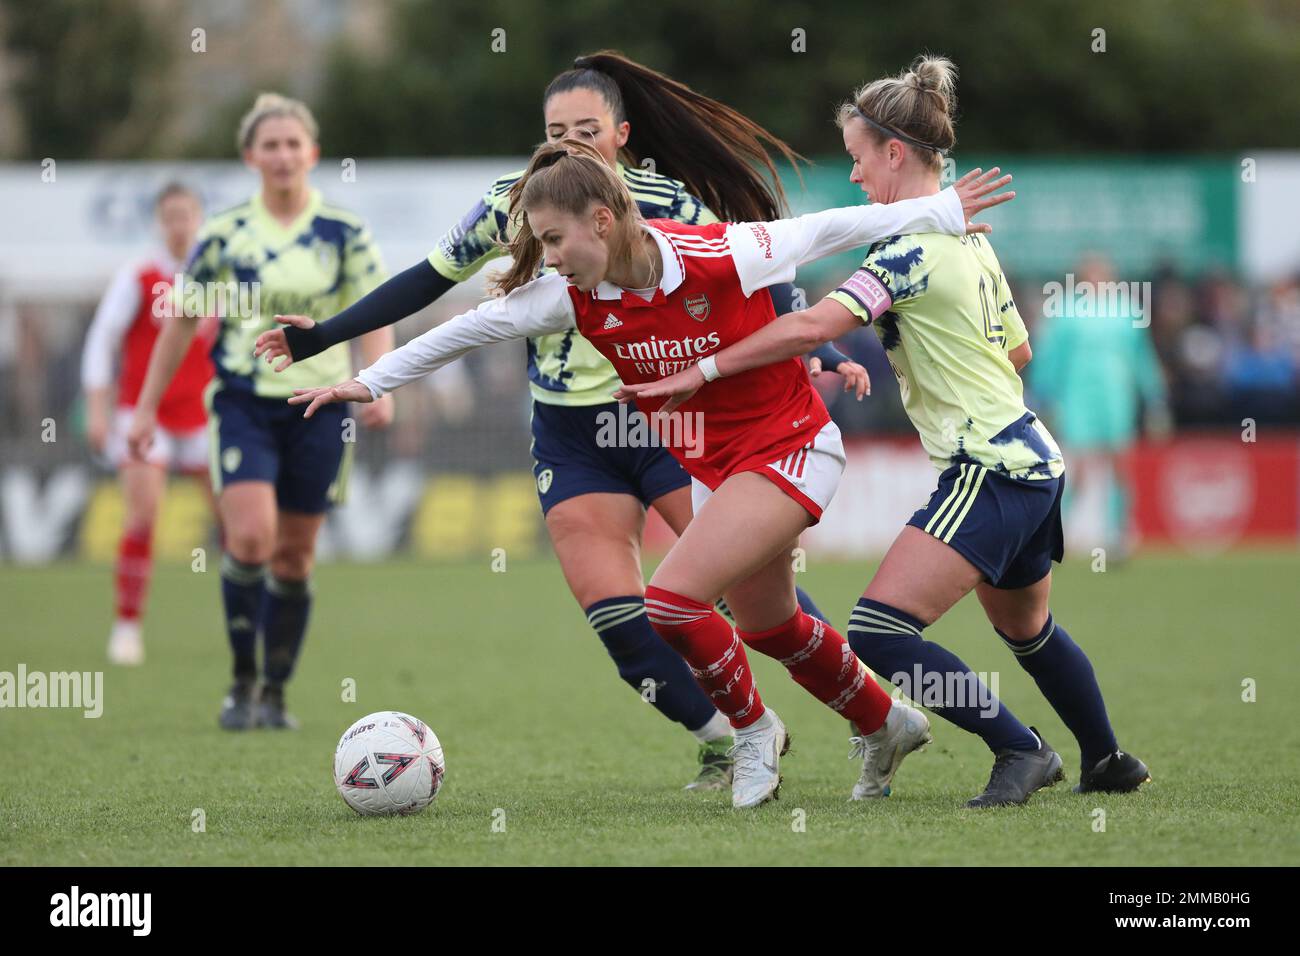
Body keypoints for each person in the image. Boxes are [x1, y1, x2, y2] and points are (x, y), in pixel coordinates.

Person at [286, 137, 1012, 807]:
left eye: (553, 239)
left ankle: (754, 733)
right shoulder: (570, 299)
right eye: (539, 243)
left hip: (793, 444)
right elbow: (470, 328)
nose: (549, 256)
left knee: (671, 603)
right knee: (769, 626)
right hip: (715, 467)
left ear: (602, 221)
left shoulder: (722, 252)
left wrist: (942, 208)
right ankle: (887, 723)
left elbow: (827, 228)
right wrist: (370, 381)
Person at [253, 52, 869, 791]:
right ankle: (729, 737)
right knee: (622, 622)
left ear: (622, 133)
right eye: (556, 129)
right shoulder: (517, 202)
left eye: (588, 128)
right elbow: (428, 280)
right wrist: (326, 336)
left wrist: (820, 345)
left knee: (739, 595)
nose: (572, 141)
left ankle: (859, 704)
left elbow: (758, 277)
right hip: (571, 436)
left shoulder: (666, 201)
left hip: (669, 421)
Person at [623, 56, 1151, 807]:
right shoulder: (972, 240)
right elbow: (1020, 352)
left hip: (986, 465)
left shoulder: (903, 251)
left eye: (858, 159)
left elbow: (810, 324)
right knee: (1029, 630)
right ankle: (1105, 758)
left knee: (877, 629)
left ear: (894, 153)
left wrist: (701, 371)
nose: (856, 178)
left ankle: (1019, 747)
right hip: (1035, 459)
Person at [127, 93, 395, 730]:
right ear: (251, 156)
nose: (281, 155)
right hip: (243, 402)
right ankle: (240, 682)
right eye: (269, 145)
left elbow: (376, 311)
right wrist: (142, 411)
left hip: (321, 406)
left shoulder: (343, 232)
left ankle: (275, 692)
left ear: (313, 153)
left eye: (292, 144)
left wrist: (376, 381)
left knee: (295, 557)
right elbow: (180, 322)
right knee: (249, 538)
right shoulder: (223, 234)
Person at [82, 182, 217, 666]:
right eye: (171, 216)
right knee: (143, 517)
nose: (179, 224)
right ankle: (127, 626)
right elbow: (102, 340)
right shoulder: (139, 276)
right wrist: (98, 411)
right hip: (145, 414)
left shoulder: (218, 276)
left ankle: (250, 625)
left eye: (187, 214)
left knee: (238, 524)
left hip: (205, 415)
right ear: (160, 222)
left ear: (200, 218)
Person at [1030, 253, 1170, 559]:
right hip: (1077, 397)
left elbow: (1140, 357)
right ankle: (1053, 537)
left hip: (1116, 396)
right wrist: (1043, 395)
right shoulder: (1066, 311)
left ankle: (1118, 536)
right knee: (1075, 469)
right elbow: (1051, 356)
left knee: (1120, 466)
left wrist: (1155, 397)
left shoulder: (1125, 310)